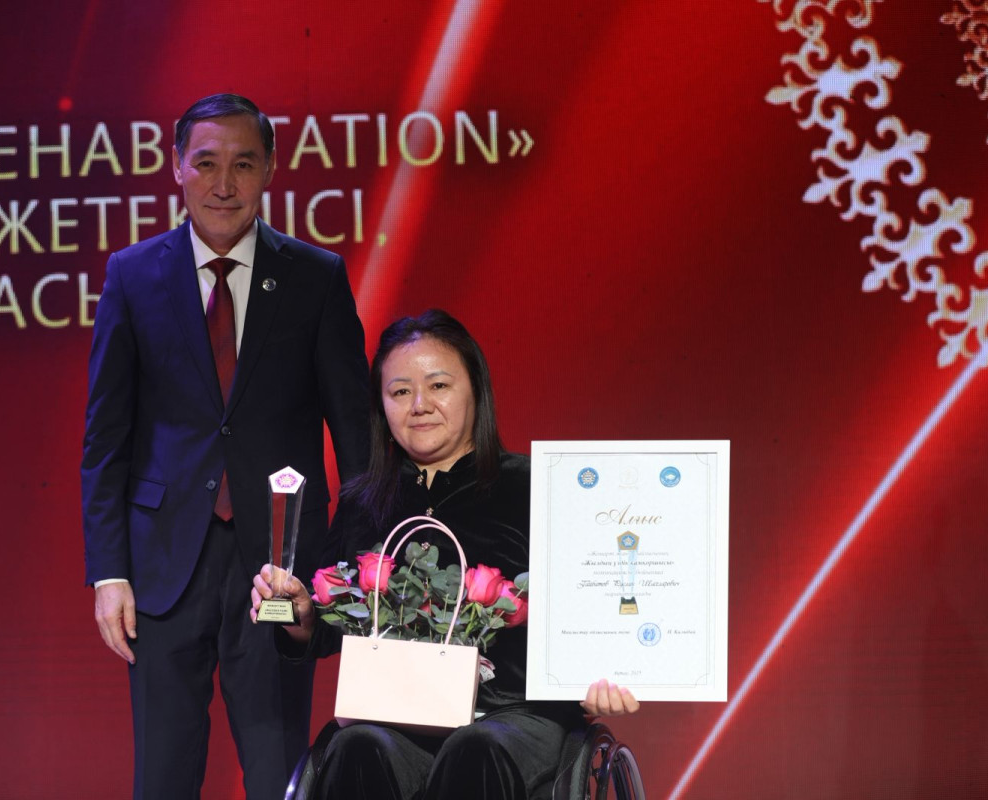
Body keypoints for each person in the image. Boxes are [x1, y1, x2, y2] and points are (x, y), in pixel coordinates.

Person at [81, 93, 370, 799]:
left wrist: (345, 571)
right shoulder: (133, 275)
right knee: (163, 777)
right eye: (206, 163)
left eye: (243, 164)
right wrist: (108, 572)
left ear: (270, 169)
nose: (223, 183)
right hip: (161, 566)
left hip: (279, 569)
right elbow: (106, 440)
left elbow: (358, 439)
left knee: (279, 774)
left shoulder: (314, 277)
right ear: (176, 166)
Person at [251, 309, 639, 800]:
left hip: (512, 716)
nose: (420, 405)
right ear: (381, 406)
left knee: (475, 748)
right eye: (400, 392)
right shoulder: (363, 502)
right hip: (396, 716)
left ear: (475, 389)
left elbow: (593, 606)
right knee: (355, 746)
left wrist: (607, 672)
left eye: (438, 386)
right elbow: (328, 631)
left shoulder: (535, 486)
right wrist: (301, 616)